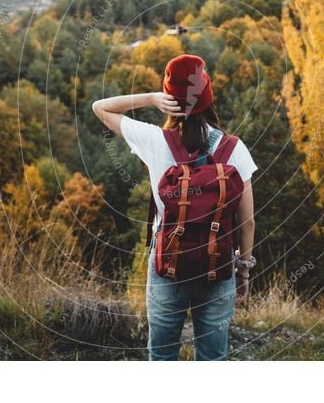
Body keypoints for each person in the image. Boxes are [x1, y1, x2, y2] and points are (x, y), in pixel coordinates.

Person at [91, 53, 258, 361]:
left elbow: (99, 107)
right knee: (212, 357)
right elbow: (246, 223)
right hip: (217, 263)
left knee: (163, 356)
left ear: (170, 99)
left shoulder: (154, 140)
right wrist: (244, 272)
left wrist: (151, 98)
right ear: (208, 97)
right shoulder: (234, 148)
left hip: (168, 262)